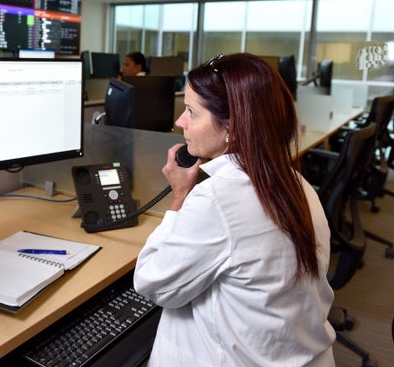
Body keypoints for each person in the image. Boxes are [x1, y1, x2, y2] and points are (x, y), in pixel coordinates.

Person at [134, 53, 335, 366]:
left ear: (233, 127)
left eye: (191, 112)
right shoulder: (298, 184)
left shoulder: (216, 200)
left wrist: (180, 198)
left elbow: (152, 283)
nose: (180, 122)